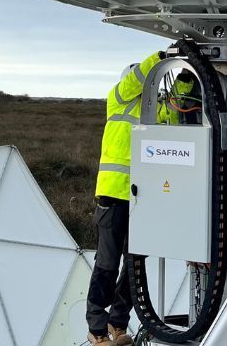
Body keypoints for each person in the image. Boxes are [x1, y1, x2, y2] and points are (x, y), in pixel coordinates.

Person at [86, 51, 194, 346]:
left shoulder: (153, 109)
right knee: (107, 265)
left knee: (134, 268)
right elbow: (138, 78)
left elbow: (174, 115)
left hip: (142, 200)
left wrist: (183, 80)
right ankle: (97, 329)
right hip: (113, 196)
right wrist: (160, 59)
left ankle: (117, 324)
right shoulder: (118, 99)